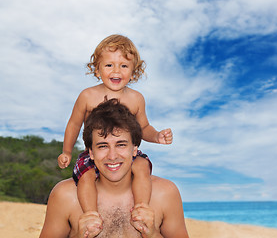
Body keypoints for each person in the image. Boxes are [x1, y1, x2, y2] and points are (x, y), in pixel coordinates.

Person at [57, 34, 173, 217]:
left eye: (124, 66)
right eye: (109, 65)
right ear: (97, 70)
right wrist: (67, 151)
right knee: (85, 177)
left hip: (127, 153)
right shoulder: (87, 96)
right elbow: (74, 124)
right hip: (94, 154)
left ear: (134, 72)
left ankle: (142, 207)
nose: (116, 71)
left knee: (142, 166)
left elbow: (143, 128)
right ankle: (90, 214)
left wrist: (157, 136)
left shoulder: (136, 99)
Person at [41, 99, 188, 237]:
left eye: (121, 145)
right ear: (91, 153)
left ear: (135, 149)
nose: (112, 156)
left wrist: (153, 234)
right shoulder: (65, 196)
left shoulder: (165, 194)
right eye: (103, 146)